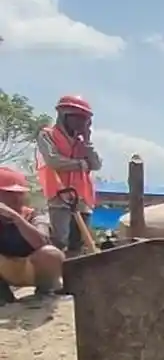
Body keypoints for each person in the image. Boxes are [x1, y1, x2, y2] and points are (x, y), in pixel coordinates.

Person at [36, 95, 101, 255]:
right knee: (60, 240)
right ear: (64, 115)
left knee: (79, 242)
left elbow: (97, 164)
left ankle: (76, 274)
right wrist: (81, 164)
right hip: (59, 195)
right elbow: (53, 161)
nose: (81, 122)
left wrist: (87, 141)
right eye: (77, 117)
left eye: (84, 119)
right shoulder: (47, 135)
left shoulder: (82, 142)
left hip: (82, 197)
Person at [0, 169, 65, 303]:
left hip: (32, 270)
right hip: (5, 270)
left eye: (20, 193)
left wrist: (16, 217)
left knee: (50, 253)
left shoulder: (36, 216)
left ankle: (46, 292)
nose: (16, 198)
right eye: (8, 193)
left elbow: (42, 243)